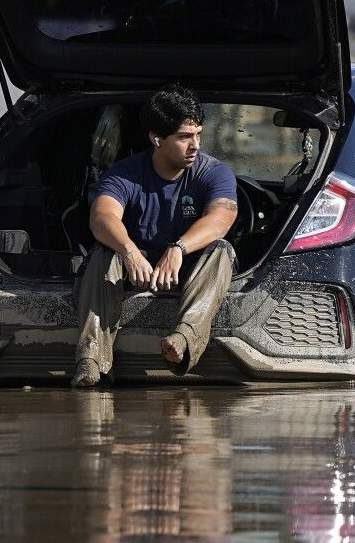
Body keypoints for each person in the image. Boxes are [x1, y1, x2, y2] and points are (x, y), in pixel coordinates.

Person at [70, 84, 239, 388]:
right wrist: (129, 251)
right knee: (102, 253)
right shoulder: (126, 174)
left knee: (221, 250)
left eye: (198, 134)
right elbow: (102, 217)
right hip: (137, 266)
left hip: (189, 268)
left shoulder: (213, 172)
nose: (195, 145)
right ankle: (91, 361)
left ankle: (183, 339)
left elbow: (221, 218)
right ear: (156, 138)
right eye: (184, 137)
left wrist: (179, 248)